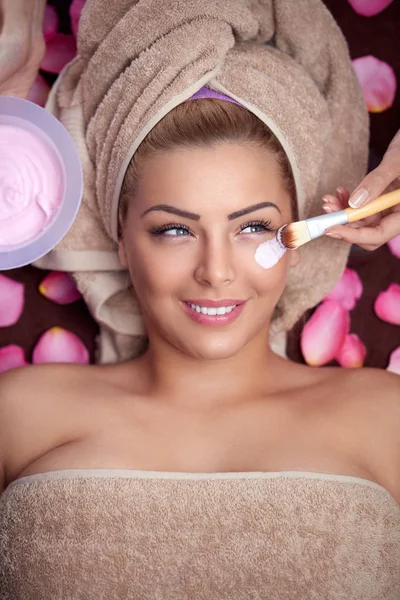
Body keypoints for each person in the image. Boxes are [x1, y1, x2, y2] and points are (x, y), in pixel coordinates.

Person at [0, 1, 399, 597]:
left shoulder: (386, 420)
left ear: (298, 237)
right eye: (174, 230)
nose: (216, 272)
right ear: (121, 239)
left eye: (254, 227)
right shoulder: (19, 414)